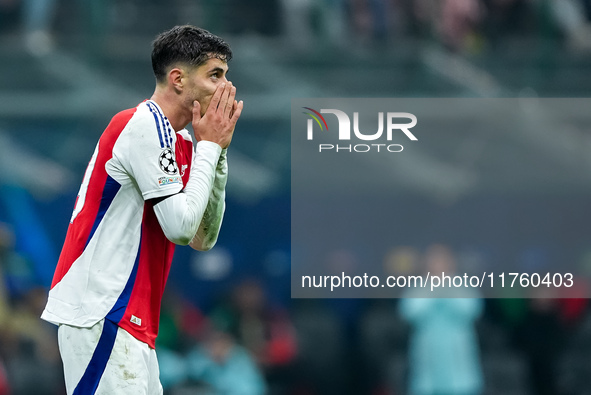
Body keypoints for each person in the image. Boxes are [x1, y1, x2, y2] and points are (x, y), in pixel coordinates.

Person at [40, 25, 243, 394]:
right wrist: (210, 148)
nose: (226, 88)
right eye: (215, 75)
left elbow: (202, 237)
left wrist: (219, 151)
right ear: (178, 78)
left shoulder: (180, 139)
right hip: (103, 312)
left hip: (131, 323)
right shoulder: (143, 126)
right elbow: (180, 228)